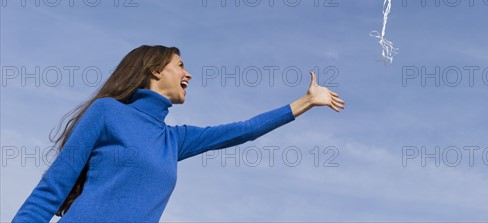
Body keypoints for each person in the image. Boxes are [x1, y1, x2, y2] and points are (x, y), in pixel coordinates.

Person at [12, 45, 345, 222]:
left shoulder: (174, 140)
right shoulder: (107, 112)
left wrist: (304, 102)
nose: (189, 73)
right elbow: (51, 189)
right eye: (180, 65)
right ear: (156, 70)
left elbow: (241, 131)